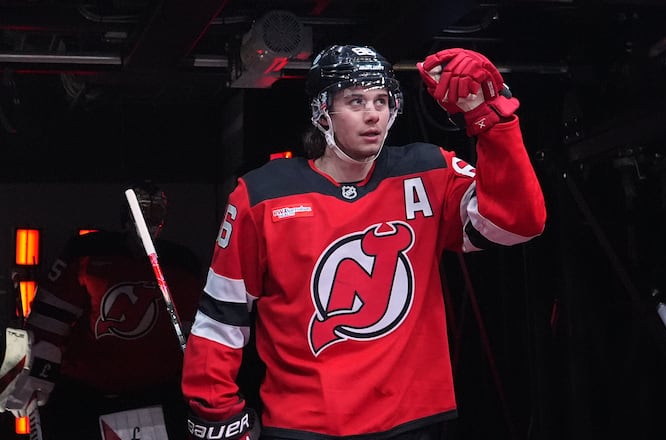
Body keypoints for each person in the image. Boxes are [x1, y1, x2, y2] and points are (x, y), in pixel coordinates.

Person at [181, 44, 546, 440]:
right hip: (308, 426)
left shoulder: (426, 170)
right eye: (356, 101)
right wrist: (215, 410)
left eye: (381, 100)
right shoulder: (263, 194)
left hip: (415, 420)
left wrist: (488, 118)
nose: (373, 114)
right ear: (322, 110)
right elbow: (222, 315)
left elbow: (517, 223)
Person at [1, 181, 203, 439]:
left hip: (159, 394)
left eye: (156, 211)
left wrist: (208, 383)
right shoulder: (87, 253)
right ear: (127, 214)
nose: (149, 220)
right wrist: (37, 370)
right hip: (88, 395)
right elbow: (50, 321)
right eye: (143, 209)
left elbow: (198, 334)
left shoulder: (183, 265)